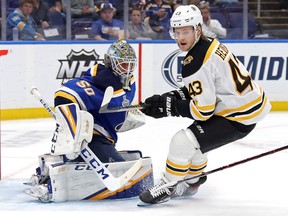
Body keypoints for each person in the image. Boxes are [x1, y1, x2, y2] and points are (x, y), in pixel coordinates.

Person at [138, 5, 271, 205]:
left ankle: (168, 186)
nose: (181, 37)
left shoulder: (195, 61)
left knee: (182, 142)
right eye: (178, 31)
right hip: (246, 106)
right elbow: (204, 90)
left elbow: (203, 111)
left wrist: (170, 107)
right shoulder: (209, 44)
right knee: (197, 141)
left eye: (186, 31)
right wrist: (169, 97)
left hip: (238, 116)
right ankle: (194, 179)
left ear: (197, 29)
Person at [24, 40, 153, 202]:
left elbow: (117, 108)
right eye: (122, 64)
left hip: (107, 138)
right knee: (117, 169)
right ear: (110, 62)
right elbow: (64, 94)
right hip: (93, 140)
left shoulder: (129, 82)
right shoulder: (100, 81)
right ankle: (47, 184)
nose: (126, 69)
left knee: (81, 163)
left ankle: (48, 175)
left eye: (129, 64)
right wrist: (72, 129)